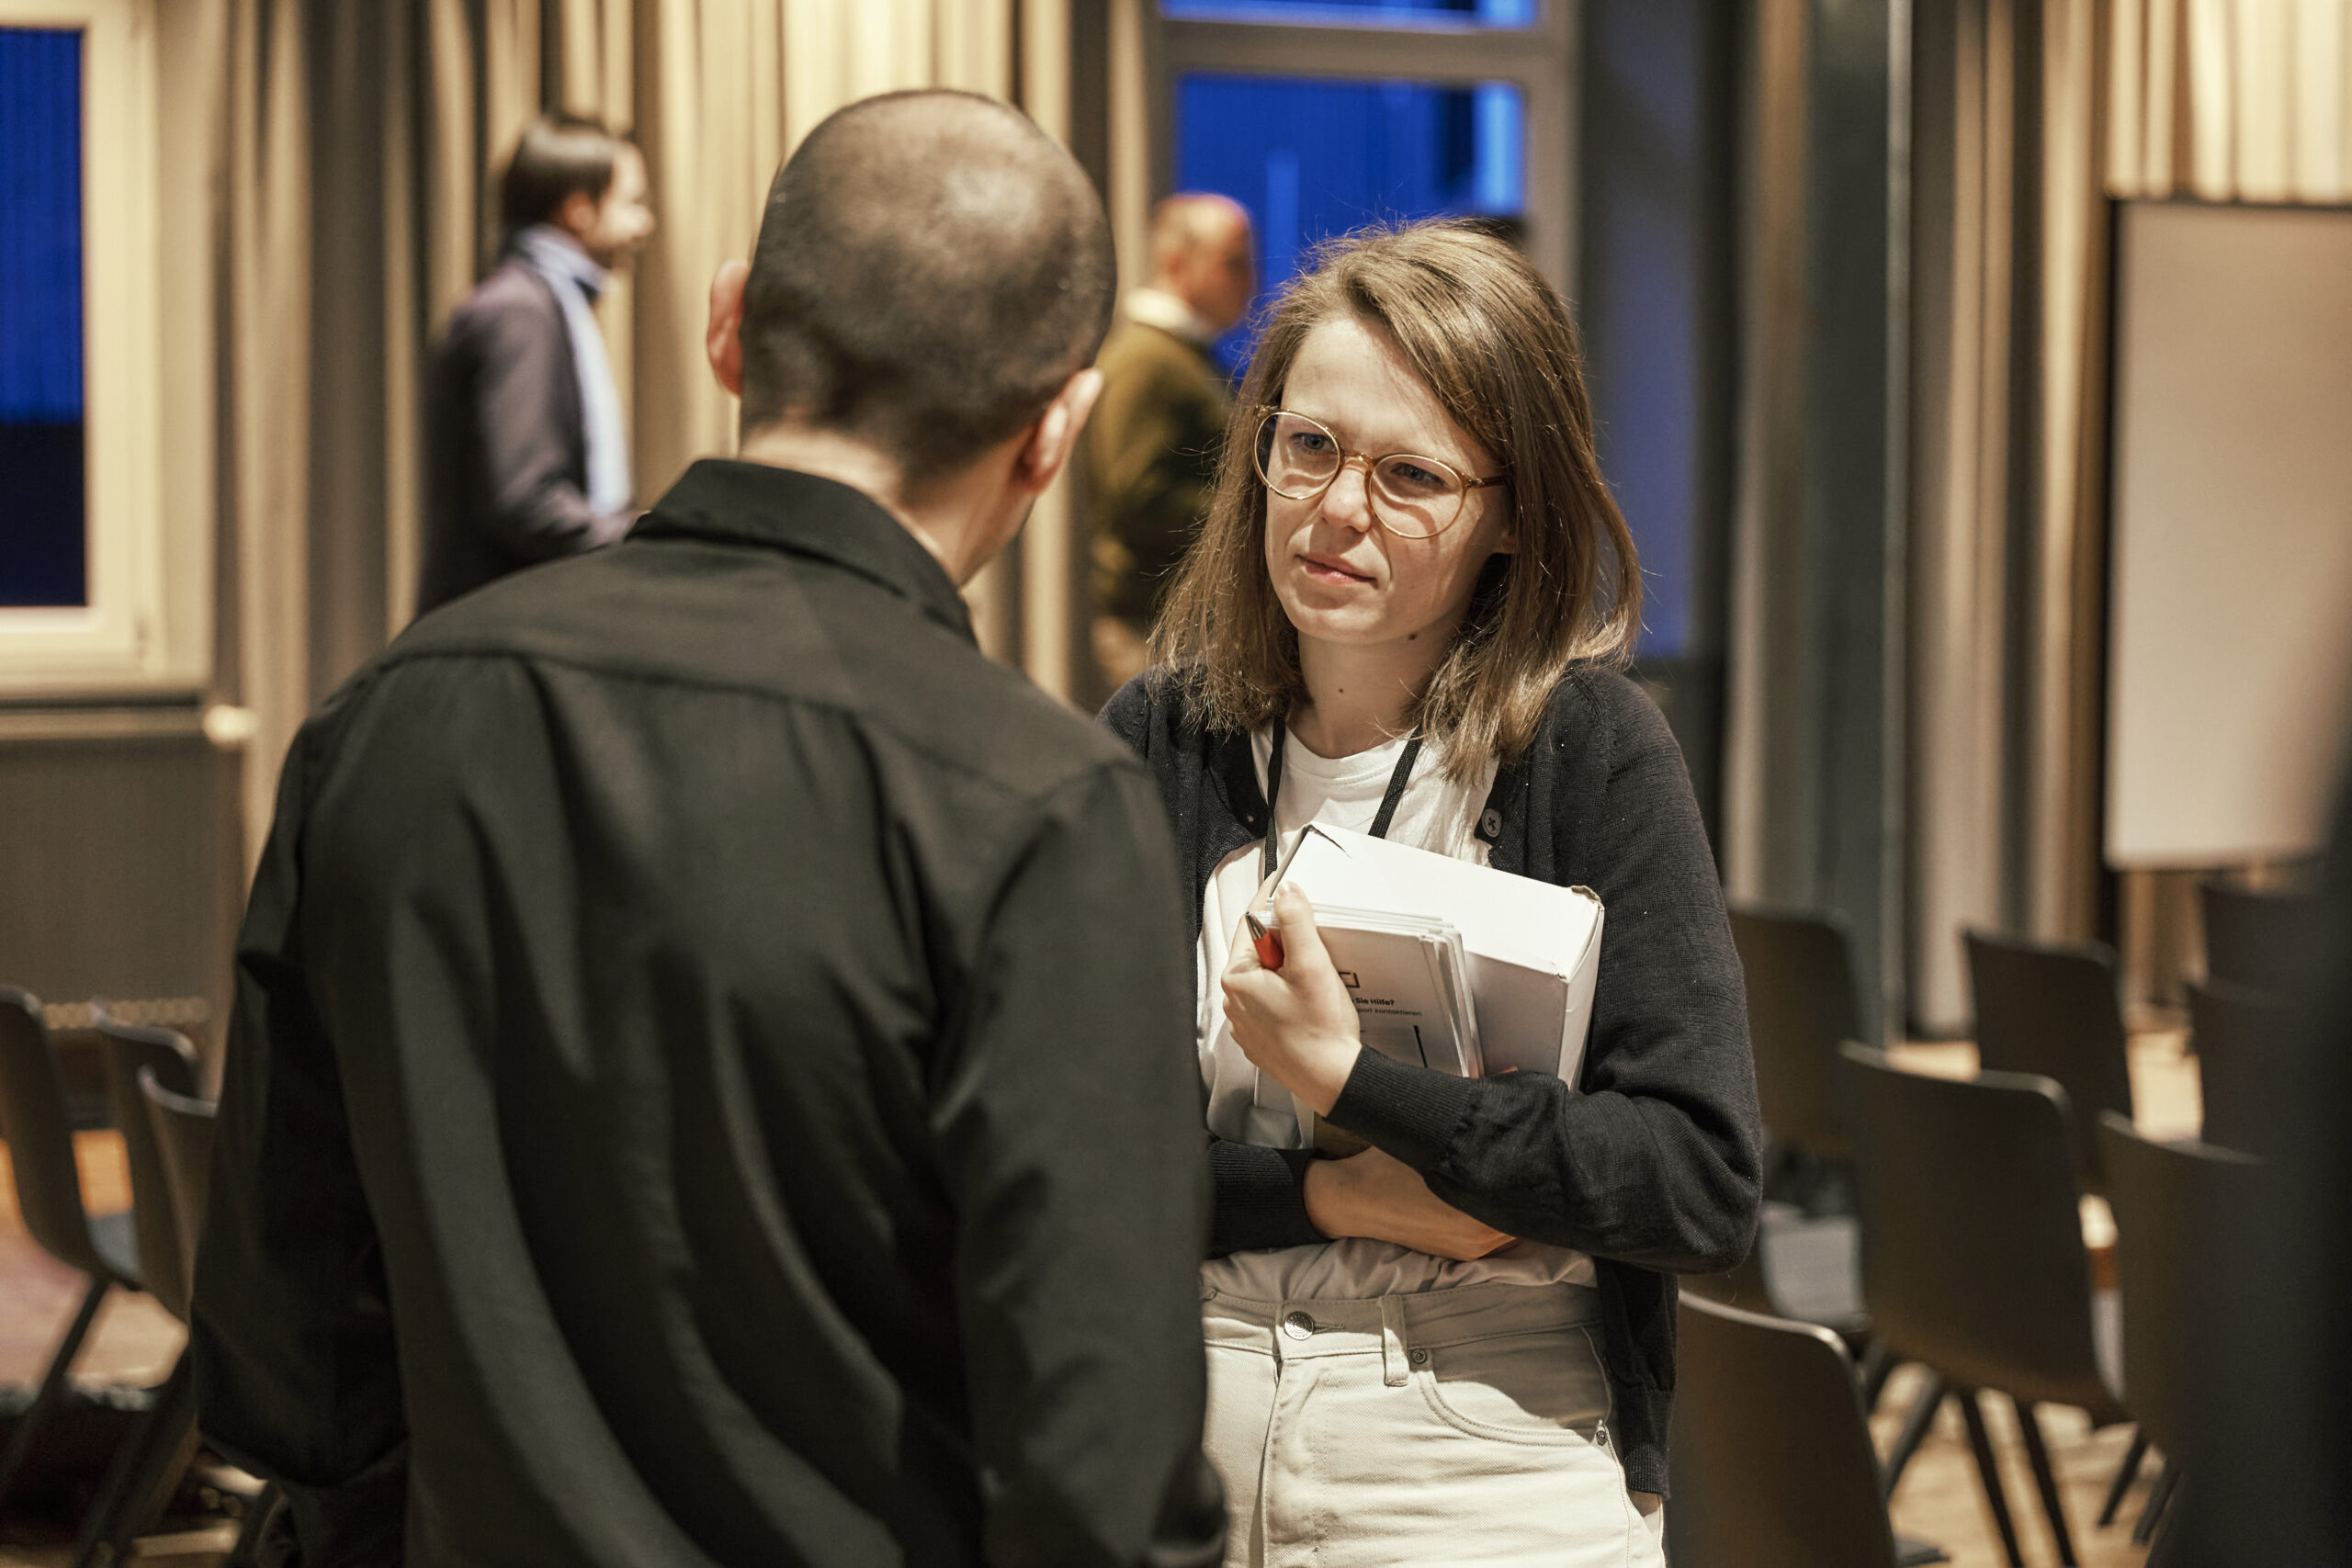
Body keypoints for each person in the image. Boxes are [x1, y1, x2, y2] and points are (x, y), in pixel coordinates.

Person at [193, 90, 1227, 1568]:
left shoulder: (382, 717)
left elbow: (285, 1351)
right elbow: (1101, 1482)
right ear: (1057, 428)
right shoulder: (1041, 805)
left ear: (728, 323)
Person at [1102, 220, 1761, 1567]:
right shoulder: (1161, 737)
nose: (1339, 507)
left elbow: (1696, 1182)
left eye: (1410, 475)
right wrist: (1336, 1196)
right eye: (1308, 446)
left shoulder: (1588, 749)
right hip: (1179, 1396)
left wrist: (1361, 1084)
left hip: (1479, 1420)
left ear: (1511, 514)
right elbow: (1078, 1166)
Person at [418, 113, 656, 615]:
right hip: (499, 630)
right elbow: (526, 500)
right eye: (632, 204)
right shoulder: (518, 313)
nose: (644, 225)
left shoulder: (537, 302)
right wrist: (647, 539)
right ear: (578, 211)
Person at [1084, 193, 1255, 688]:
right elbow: (1136, 496)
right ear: (1176, 262)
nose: (1249, 282)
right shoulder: (1147, 359)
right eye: (1233, 263)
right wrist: (1249, 512)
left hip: (1181, 620)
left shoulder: (1182, 355)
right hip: (1154, 626)